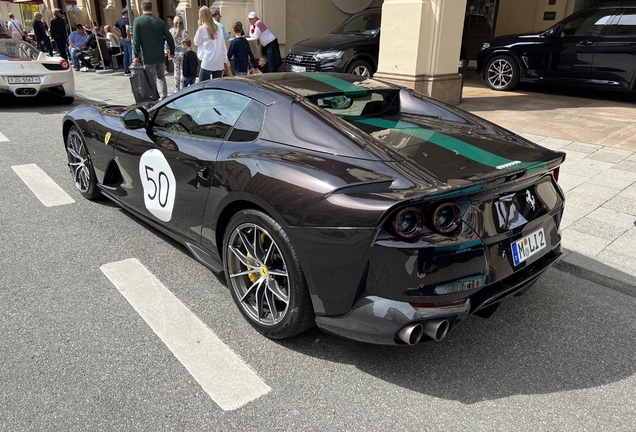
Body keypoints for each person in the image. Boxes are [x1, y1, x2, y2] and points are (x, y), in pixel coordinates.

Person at [132, 1, 175, 99]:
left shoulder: (138, 21)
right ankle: (165, 97)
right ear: (152, 8)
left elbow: (136, 40)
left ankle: (154, 98)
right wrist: (171, 51)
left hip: (148, 56)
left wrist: (135, 55)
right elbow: (169, 37)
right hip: (160, 55)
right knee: (161, 77)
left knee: (151, 79)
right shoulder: (159, 21)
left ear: (142, 8)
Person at [193, 6, 229, 81]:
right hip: (218, 61)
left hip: (208, 61)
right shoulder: (218, 28)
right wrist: (225, 61)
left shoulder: (202, 29)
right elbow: (223, 46)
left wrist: (199, 27)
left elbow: (196, 42)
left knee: (202, 86)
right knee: (216, 87)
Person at [169, 16, 189, 93]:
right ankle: (182, 89)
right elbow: (187, 43)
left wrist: (168, 52)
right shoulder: (185, 32)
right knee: (182, 71)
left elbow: (168, 43)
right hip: (183, 52)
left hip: (175, 52)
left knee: (176, 71)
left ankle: (176, 90)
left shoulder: (171, 31)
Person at [115, 10, 132, 75]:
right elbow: (127, 28)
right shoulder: (126, 20)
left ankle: (126, 69)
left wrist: (120, 34)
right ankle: (131, 68)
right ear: (126, 14)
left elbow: (114, 28)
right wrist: (128, 35)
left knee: (125, 55)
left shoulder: (119, 21)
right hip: (127, 39)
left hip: (123, 39)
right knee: (130, 54)